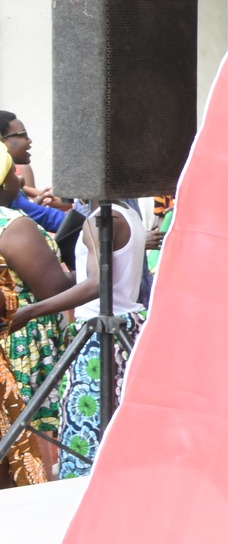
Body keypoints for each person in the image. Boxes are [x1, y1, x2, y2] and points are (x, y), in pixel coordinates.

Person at [0, 148, 97, 485]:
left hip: (8, 340)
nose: (20, 179)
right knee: (24, 439)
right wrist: (92, 265)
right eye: (12, 174)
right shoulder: (13, 226)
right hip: (24, 340)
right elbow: (53, 289)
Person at [54, 197, 145, 478]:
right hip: (127, 331)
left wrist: (30, 311)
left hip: (98, 340)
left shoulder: (99, 220)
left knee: (86, 436)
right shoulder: (128, 213)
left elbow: (96, 283)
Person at [0, 113, 69, 236]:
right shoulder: (6, 189)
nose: (29, 140)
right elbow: (54, 219)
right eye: (23, 135)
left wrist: (33, 206)